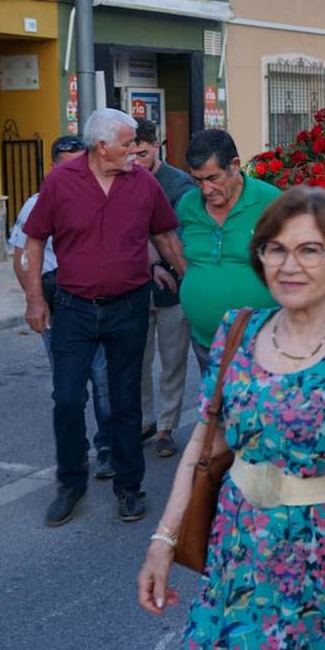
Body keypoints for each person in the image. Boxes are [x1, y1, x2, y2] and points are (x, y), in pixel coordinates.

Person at [139, 187, 325, 650]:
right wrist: (162, 540)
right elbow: (203, 444)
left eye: (309, 249)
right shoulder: (240, 331)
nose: (288, 265)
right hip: (238, 553)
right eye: (276, 248)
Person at [22, 109, 187, 527]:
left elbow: (165, 236)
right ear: (102, 147)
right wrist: (35, 300)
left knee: (125, 402)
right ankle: (71, 485)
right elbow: (35, 240)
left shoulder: (143, 183)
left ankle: (129, 488)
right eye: (129, 144)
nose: (136, 151)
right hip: (74, 308)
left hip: (129, 306)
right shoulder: (60, 182)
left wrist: (193, 282)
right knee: (68, 398)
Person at [8, 134, 114, 480]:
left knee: (102, 381)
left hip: (97, 306)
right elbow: (21, 258)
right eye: (68, 167)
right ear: (53, 168)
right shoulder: (37, 204)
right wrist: (35, 301)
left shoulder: (102, 197)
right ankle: (77, 452)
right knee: (68, 388)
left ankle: (108, 449)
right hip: (57, 308)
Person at [178, 130, 279, 375]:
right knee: (214, 410)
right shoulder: (187, 206)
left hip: (260, 342)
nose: (205, 190)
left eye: (212, 178)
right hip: (205, 341)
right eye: (197, 180)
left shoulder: (272, 202)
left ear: (234, 165)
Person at [131, 120, 197, 458]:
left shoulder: (179, 185)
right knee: (137, 361)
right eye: (132, 153)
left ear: (157, 146)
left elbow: (179, 235)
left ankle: (166, 427)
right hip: (135, 290)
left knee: (172, 362)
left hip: (173, 289)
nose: (137, 160)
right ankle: (144, 420)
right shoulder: (123, 179)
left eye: (143, 153)